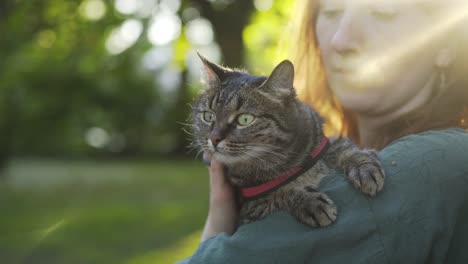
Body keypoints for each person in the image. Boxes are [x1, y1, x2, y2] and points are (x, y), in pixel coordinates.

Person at [180, 0, 468, 263]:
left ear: (447, 42)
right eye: (330, 12)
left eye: (383, 12)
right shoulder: (330, 147)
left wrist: (215, 232)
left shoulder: (436, 164)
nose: (340, 40)